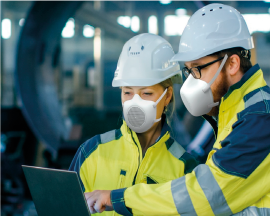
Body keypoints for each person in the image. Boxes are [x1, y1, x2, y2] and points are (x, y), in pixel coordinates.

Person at [85, 3, 270, 216]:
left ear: (232, 64)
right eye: (188, 70)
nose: (192, 80)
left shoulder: (259, 117)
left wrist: (119, 198)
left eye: (198, 69)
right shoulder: (237, 112)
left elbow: (208, 196)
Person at [69, 33, 199, 216]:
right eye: (128, 92)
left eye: (146, 93)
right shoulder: (91, 152)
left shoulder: (185, 168)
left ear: (167, 96)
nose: (134, 103)